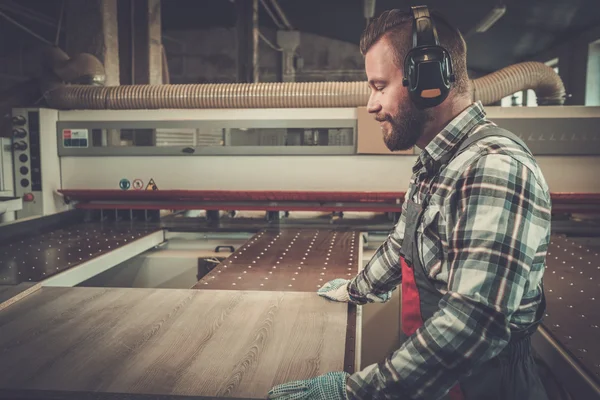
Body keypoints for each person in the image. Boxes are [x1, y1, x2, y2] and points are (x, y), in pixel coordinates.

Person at [268, 5, 551, 400]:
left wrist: (354, 392)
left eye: (380, 86)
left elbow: (472, 325)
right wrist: (356, 289)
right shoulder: (438, 162)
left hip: (484, 386)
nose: (371, 105)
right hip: (439, 380)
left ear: (428, 80)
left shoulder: (493, 168)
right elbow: (406, 241)